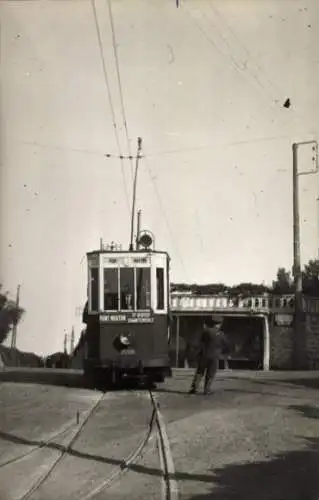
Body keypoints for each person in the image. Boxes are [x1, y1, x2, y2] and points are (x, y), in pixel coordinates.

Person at [189, 315, 226, 395]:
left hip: (204, 355)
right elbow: (225, 345)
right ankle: (207, 390)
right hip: (214, 357)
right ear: (219, 324)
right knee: (210, 373)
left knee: (200, 372)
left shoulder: (206, 331)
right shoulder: (221, 335)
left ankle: (194, 388)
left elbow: (201, 341)